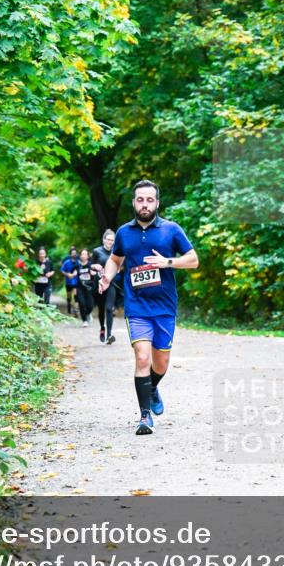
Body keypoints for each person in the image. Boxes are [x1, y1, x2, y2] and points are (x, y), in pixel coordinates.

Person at [98, 179, 199, 435]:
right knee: (142, 357)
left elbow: (193, 260)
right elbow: (115, 259)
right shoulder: (124, 233)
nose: (145, 204)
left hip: (164, 306)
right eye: (140, 200)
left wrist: (167, 262)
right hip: (137, 306)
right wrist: (108, 276)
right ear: (134, 202)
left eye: (149, 200)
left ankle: (152, 387)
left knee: (160, 363)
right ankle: (145, 417)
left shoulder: (171, 230)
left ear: (157, 202)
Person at [91, 230, 119, 344]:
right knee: (101, 309)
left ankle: (109, 335)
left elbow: (120, 265)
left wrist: (117, 269)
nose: (110, 242)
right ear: (104, 240)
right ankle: (102, 328)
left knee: (109, 308)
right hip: (99, 284)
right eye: (108, 240)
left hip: (111, 283)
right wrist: (95, 266)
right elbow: (90, 265)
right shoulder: (97, 251)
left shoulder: (116, 252)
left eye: (112, 240)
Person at [75, 248, 94, 326]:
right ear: (80, 256)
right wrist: (72, 274)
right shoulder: (77, 265)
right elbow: (73, 273)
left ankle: (88, 313)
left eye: (85, 254)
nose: (83, 256)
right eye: (82, 254)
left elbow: (95, 273)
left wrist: (93, 273)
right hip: (80, 287)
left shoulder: (91, 264)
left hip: (89, 287)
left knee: (90, 305)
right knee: (82, 303)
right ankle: (84, 320)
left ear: (88, 256)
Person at [60, 246, 79, 315]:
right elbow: (62, 270)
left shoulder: (78, 262)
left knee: (76, 295)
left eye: (75, 253)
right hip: (68, 282)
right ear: (70, 254)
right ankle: (69, 307)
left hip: (76, 281)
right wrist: (67, 274)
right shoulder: (66, 262)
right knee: (69, 296)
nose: (74, 254)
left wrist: (77, 272)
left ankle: (76, 309)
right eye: (73, 253)